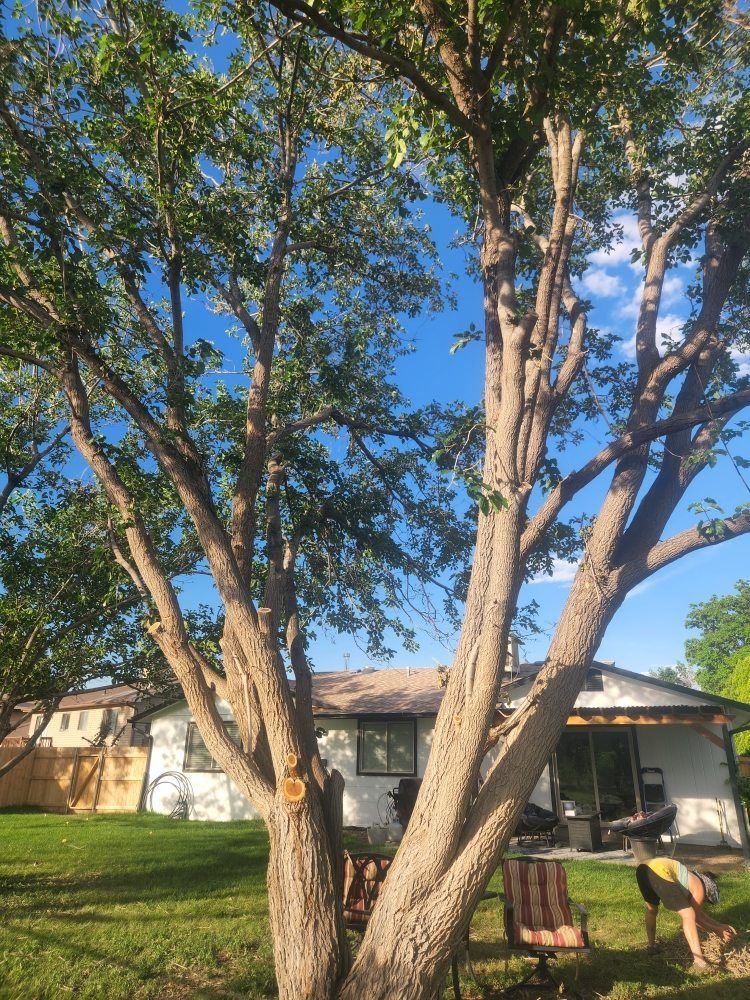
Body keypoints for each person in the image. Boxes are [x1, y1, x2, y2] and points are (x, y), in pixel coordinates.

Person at [635, 857, 736, 969]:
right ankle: (699, 962)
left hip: (643, 869)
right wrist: (717, 930)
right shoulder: (700, 889)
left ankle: (651, 946)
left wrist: (719, 926)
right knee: (688, 914)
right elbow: (696, 919)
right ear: (708, 893)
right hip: (660, 871)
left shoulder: (692, 880)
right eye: (707, 901)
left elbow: (700, 915)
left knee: (652, 910)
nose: (704, 902)